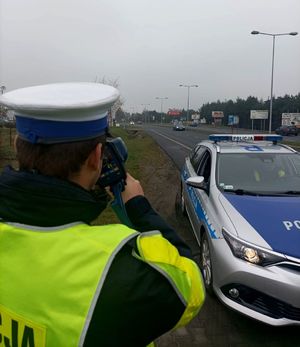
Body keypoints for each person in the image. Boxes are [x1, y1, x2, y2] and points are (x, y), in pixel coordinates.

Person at [0, 82, 205, 347]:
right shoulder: (118, 270)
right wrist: (141, 210)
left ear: (18, 145)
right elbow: (191, 286)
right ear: (97, 157)